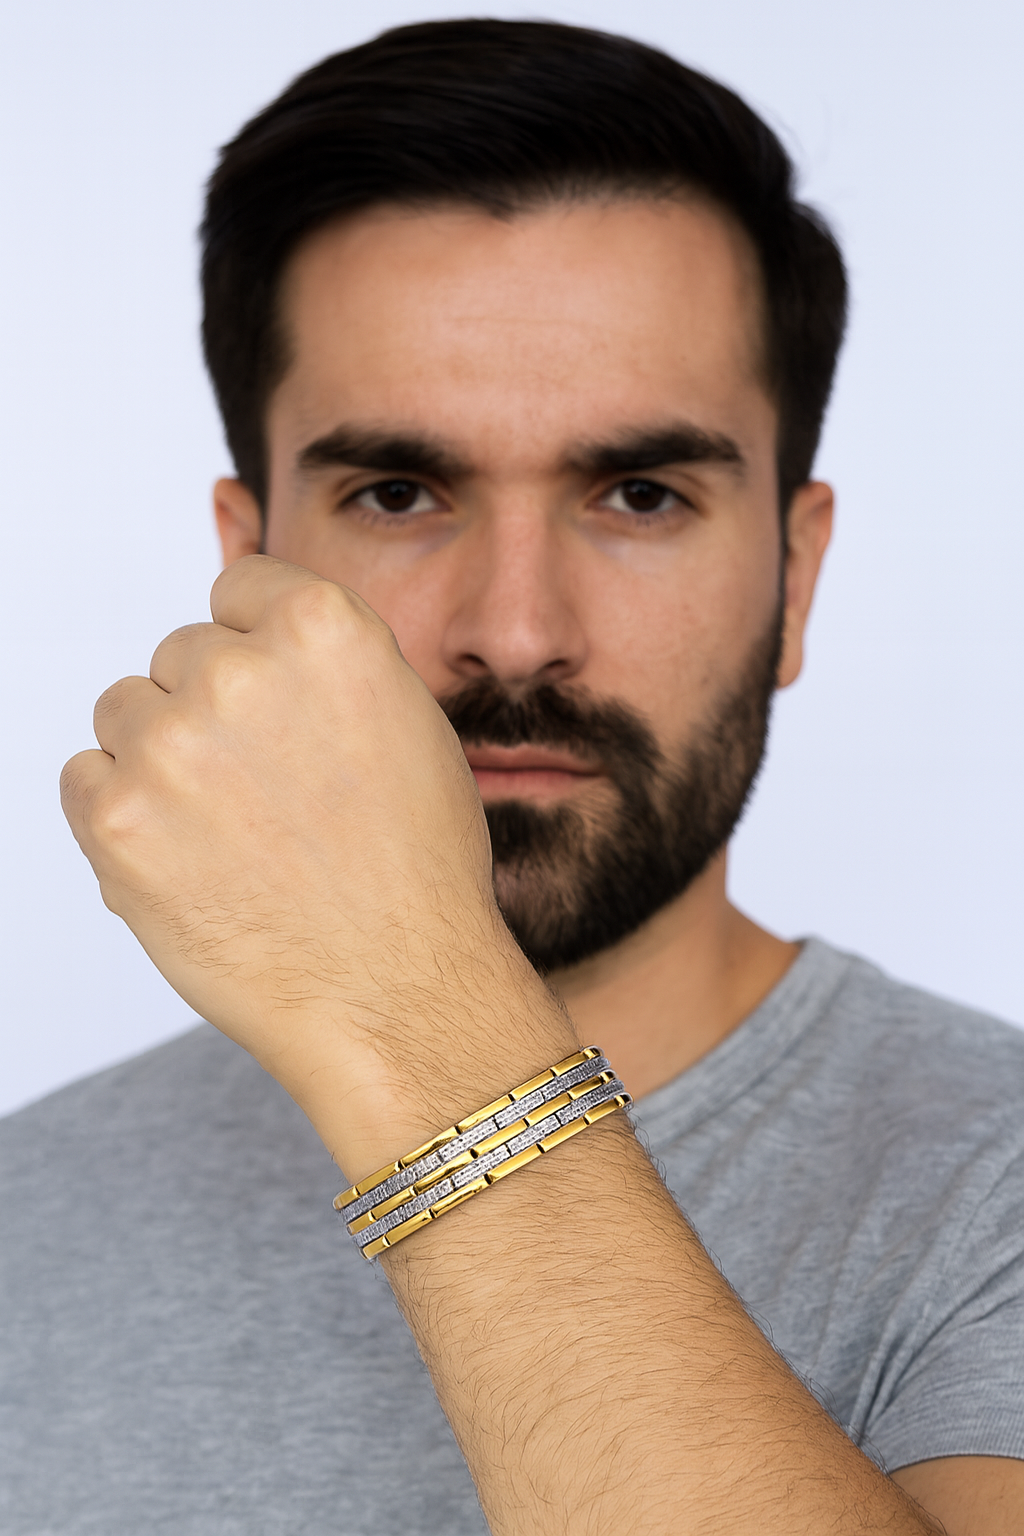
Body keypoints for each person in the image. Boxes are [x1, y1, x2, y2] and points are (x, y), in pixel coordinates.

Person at [3, 18, 1022, 1535]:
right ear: (248, 566)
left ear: (796, 578)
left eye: (641, 494)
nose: (518, 632)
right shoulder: (24, 1216)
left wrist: (413, 1023)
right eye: (397, 492)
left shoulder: (995, 1186)